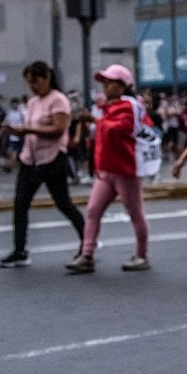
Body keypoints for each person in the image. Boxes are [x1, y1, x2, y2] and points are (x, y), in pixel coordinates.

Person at [0, 62, 86, 268]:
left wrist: (28, 130)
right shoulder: (32, 102)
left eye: (36, 81)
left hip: (53, 158)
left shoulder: (58, 100)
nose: (33, 86)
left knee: (63, 202)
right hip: (30, 159)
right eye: (29, 82)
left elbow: (58, 129)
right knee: (20, 203)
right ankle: (20, 249)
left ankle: (87, 243)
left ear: (46, 78)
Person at [67, 64, 150, 274]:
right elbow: (101, 135)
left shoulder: (130, 106)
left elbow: (120, 128)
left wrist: (95, 119)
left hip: (125, 169)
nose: (105, 86)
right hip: (106, 170)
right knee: (93, 211)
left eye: (110, 82)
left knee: (135, 214)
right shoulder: (107, 108)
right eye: (104, 82)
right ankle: (87, 255)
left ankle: (141, 255)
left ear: (122, 86)